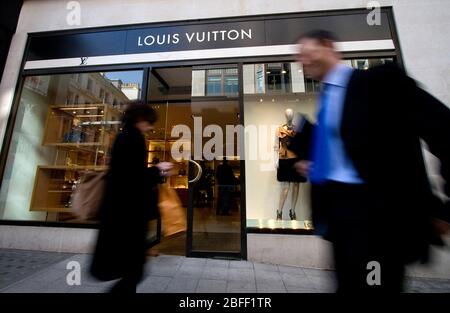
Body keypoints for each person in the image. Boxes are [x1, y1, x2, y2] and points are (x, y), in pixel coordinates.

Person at [293, 29, 450, 292]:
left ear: (329, 46)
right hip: (338, 222)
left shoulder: (380, 83)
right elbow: (352, 152)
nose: (302, 61)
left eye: (307, 52)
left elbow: (444, 129)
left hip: (377, 222)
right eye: (299, 57)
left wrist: (446, 207)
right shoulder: (327, 100)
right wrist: (314, 165)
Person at [90, 100, 173, 293]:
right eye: (149, 122)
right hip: (127, 216)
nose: (150, 127)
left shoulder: (124, 136)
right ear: (140, 119)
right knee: (133, 272)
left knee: (131, 271)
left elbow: (126, 176)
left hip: (120, 214)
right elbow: (132, 179)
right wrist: (158, 170)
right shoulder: (132, 139)